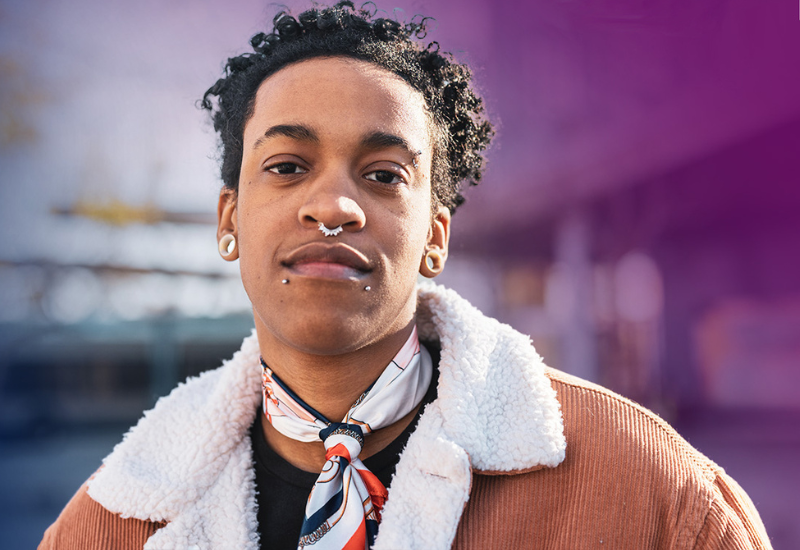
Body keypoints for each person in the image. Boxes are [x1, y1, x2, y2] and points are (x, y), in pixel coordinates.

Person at [40, 2, 772, 549]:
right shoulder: (109, 522)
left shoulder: (659, 500)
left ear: (435, 238)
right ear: (229, 219)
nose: (333, 206)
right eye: (287, 167)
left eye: (385, 175)